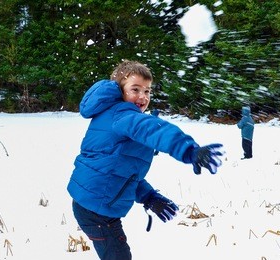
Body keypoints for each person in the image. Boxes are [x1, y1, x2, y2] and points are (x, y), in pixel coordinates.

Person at [67, 60, 224, 260]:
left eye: (147, 91)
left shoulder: (114, 116)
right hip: (97, 209)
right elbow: (154, 130)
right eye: (135, 89)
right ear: (120, 91)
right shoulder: (123, 116)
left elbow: (120, 171)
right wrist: (189, 151)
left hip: (94, 202)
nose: (142, 96)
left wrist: (148, 196)